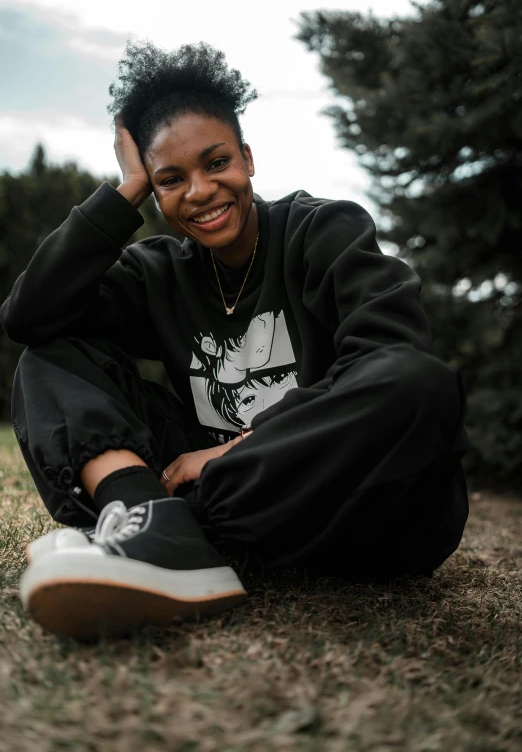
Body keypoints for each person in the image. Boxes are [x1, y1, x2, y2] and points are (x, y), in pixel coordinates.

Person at [0, 41, 470, 639]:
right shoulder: (158, 271)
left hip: (356, 508)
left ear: (247, 158)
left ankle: (177, 532)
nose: (199, 191)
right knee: (52, 353)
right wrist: (125, 190)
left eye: (215, 163)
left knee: (417, 382)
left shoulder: (323, 230)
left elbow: (390, 359)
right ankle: (151, 525)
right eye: (171, 179)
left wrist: (226, 452)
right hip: (236, 513)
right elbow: (30, 316)